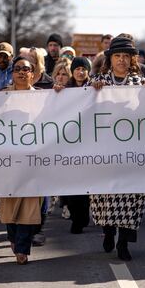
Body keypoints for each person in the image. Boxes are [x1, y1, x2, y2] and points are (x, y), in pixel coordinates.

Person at [89, 34, 145, 261]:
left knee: (132, 198)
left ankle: (124, 242)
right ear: (111, 59)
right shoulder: (98, 83)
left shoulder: (140, 84)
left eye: (125, 56)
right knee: (105, 197)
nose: (121, 60)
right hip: (106, 153)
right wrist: (93, 91)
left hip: (132, 152)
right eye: (117, 56)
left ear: (132, 60)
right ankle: (108, 231)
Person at [0, 56, 43, 265]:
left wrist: (60, 96)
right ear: (12, 74)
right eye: (17, 69)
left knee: (29, 204)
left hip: (33, 160)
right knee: (9, 203)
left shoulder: (43, 97)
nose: (22, 72)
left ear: (33, 73)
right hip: (8, 160)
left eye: (26, 69)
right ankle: (13, 238)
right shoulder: (2, 96)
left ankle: (22, 248)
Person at [54, 56, 92, 233]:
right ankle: (77, 218)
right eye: (77, 69)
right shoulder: (66, 89)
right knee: (70, 184)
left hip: (89, 141)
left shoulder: (94, 87)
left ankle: (82, 218)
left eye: (84, 69)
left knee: (84, 183)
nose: (80, 72)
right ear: (73, 71)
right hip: (69, 142)